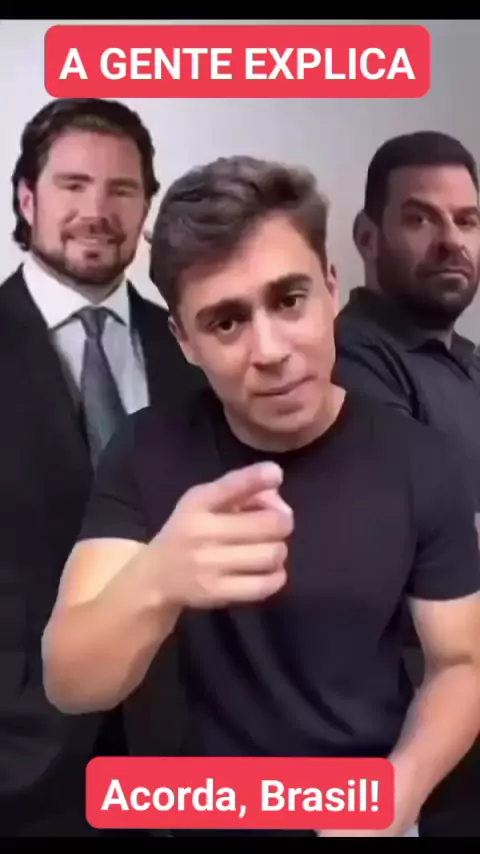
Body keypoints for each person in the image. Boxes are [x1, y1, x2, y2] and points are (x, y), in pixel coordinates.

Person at [41, 155, 480, 838]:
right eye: (226, 323)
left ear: (330, 287)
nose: (270, 349)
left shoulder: (424, 461)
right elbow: (70, 683)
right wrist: (158, 578)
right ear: (185, 341)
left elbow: (462, 663)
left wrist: (400, 788)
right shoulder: (146, 451)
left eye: (289, 299)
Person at [0, 97, 203, 837]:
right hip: (19, 758)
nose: (97, 210)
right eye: (73, 185)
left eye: (121, 189)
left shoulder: (196, 346)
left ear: (146, 207)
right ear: (28, 198)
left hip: (181, 749)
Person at [333, 131, 480, 837]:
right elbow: (431, 534)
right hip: (412, 731)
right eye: (421, 218)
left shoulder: (467, 362)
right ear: (368, 236)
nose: (452, 241)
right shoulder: (351, 360)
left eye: (468, 220)